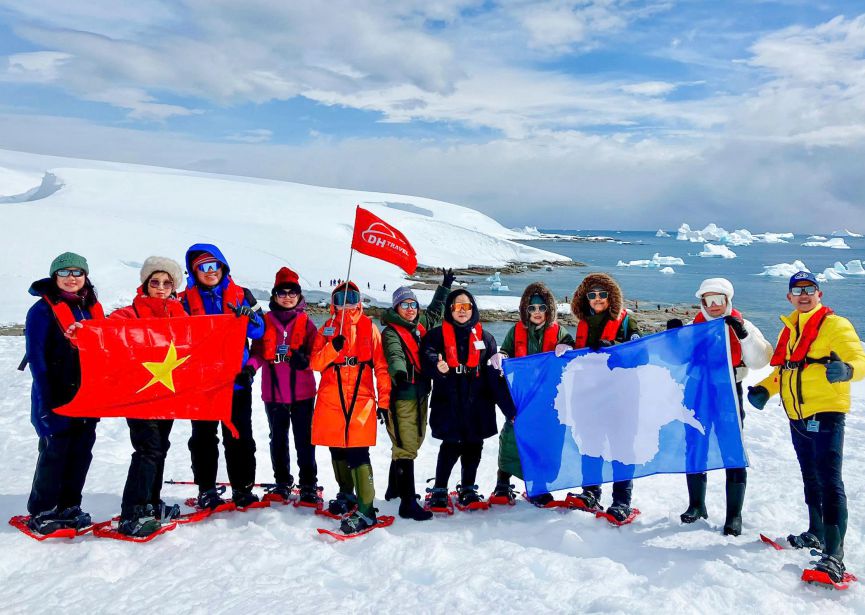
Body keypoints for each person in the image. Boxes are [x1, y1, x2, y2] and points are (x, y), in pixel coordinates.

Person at [748, 271, 865, 582]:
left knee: (830, 480)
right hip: (797, 416)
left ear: (819, 294)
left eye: (809, 289)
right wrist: (765, 389)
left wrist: (848, 370)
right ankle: (815, 532)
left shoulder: (835, 325)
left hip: (827, 413)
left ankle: (834, 556)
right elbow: (787, 369)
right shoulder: (792, 329)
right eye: (797, 290)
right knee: (810, 476)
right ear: (789, 297)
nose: (803, 294)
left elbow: (860, 358)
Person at [671, 278, 772, 536]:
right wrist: (674, 338)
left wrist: (744, 336)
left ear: (728, 300)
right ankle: (696, 505)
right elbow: (679, 359)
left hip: (729, 391)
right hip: (698, 391)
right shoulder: (696, 327)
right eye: (708, 300)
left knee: (732, 449)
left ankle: (733, 515)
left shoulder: (742, 324)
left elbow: (761, 360)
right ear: (702, 302)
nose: (714, 305)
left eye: (719, 300)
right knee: (696, 446)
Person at [24, 252, 105, 535]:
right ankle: (43, 509)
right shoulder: (41, 311)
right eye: (65, 273)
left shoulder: (93, 308)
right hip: (55, 392)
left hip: (89, 393)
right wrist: (46, 398)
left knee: (81, 452)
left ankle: (70, 504)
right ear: (54, 277)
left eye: (77, 273)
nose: (72, 278)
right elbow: (36, 356)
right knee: (55, 450)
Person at [181, 244, 265, 509]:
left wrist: (249, 316)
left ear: (222, 266)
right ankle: (206, 489)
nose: (209, 272)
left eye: (213, 265)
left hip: (236, 380)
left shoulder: (242, 295)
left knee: (239, 436)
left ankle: (243, 488)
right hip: (202, 382)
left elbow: (260, 332)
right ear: (194, 272)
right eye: (202, 268)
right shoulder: (184, 300)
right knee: (203, 438)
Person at [109, 256, 187, 536]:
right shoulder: (131, 313)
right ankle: (134, 510)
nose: (161, 287)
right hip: (140, 393)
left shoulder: (179, 313)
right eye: (155, 282)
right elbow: (108, 328)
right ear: (145, 284)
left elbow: (199, 338)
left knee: (159, 447)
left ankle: (151, 503)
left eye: (167, 283)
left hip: (167, 392)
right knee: (147, 449)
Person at [310, 281, 391, 533]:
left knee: (358, 453)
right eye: (341, 298)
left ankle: (367, 510)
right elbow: (315, 363)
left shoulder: (370, 328)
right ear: (333, 303)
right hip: (331, 398)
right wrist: (333, 348)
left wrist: (385, 402)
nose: (347, 302)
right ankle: (347, 494)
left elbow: (382, 368)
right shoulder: (327, 329)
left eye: (352, 297)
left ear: (359, 301)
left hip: (360, 400)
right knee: (337, 450)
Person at [489, 282, 573, 506]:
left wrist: (568, 349)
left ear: (549, 310)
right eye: (532, 308)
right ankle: (502, 484)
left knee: (545, 440)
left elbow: (573, 354)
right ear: (526, 310)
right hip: (522, 397)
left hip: (548, 399)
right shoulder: (515, 331)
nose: (537, 312)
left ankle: (539, 486)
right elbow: (506, 349)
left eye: (542, 308)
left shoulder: (560, 332)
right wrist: (501, 356)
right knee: (511, 438)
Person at [566, 273, 641, 523]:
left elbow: (641, 353)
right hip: (588, 394)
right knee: (591, 445)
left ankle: (622, 501)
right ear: (585, 299)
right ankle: (591, 492)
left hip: (620, 396)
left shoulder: (626, 321)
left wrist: (617, 347)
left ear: (611, 297)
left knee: (621, 446)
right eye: (592, 295)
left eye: (602, 295)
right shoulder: (583, 324)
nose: (597, 299)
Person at [380, 269, 453, 521]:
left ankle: (394, 489)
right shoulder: (391, 332)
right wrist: (399, 373)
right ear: (396, 308)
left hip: (421, 392)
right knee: (406, 446)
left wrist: (444, 287)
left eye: (412, 304)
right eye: (404, 305)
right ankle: (407, 503)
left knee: (410, 442)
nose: (410, 309)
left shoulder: (419, 327)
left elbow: (435, 312)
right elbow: (394, 354)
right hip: (402, 394)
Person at [420, 289, 500, 509]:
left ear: (472, 309)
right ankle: (440, 488)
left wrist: (507, 406)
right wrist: (437, 364)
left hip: (478, 401)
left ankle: (467, 487)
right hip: (450, 399)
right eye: (457, 306)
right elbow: (426, 354)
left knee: (474, 445)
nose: (462, 311)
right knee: (451, 444)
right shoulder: (436, 335)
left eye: (466, 307)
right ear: (450, 309)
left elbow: (494, 371)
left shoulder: (486, 338)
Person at [248, 267, 320, 505]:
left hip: (303, 393)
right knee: (277, 439)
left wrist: (306, 360)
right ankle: (282, 481)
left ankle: (308, 484)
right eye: (282, 292)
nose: (287, 296)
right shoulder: (265, 322)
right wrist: (250, 368)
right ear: (274, 295)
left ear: (299, 296)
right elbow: (257, 352)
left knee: (304, 439)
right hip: (274, 393)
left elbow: (316, 352)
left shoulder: (307, 323)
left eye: (292, 292)